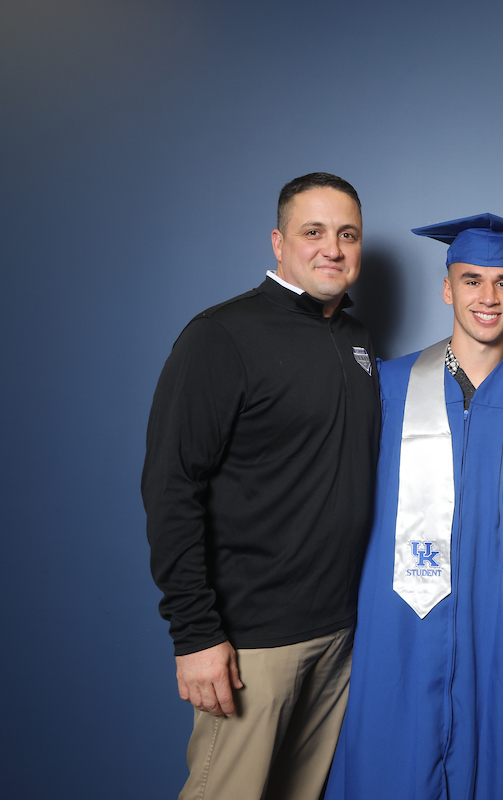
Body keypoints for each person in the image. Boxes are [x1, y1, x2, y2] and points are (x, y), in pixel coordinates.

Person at [142, 172, 380, 800]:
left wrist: (495, 369)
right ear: (278, 242)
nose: (332, 248)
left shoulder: (355, 339)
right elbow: (170, 488)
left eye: (347, 234)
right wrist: (195, 634)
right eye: (313, 232)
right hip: (252, 641)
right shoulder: (221, 335)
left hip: (339, 633)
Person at [325, 213, 503, 800]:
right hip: (401, 618)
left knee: (497, 764)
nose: (488, 297)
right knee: (390, 766)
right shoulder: (389, 385)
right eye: (471, 280)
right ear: (446, 288)